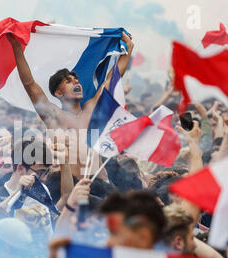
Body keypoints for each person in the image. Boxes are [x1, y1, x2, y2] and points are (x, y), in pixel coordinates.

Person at [7, 32, 134, 178]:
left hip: (101, 185)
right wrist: (17, 48)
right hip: (71, 188)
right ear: (59, 93)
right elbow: (29, 84)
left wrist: (128, 50)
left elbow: (112, 78)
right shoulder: (54, 116)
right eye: (68, 81)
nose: (76, 82)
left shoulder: (92, 109)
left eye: (76, 80)